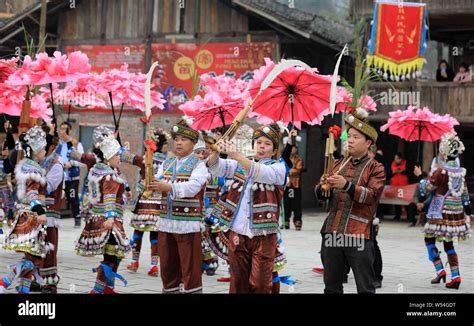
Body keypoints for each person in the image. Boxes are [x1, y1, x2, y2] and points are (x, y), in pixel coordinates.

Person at [206, 122, 287, 293]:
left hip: (263, 235)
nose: (262, 147)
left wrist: (235, 154)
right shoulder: (240, 164)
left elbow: (259, 172)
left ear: (274, 150)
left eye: (267, 144)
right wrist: (216, 151)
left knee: (260, 284)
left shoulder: (278, 169)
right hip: (237, 232)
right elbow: (216, 167)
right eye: (258, 143)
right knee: (238, 281)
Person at [314, 109, 385, 294]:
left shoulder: (376, 168)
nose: (350, 140)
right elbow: (323, 196)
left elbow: (371, 196)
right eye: (349, 136)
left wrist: (346, 185)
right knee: (331, 286)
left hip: (358, 233)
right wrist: (323, 188)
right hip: (332, 231)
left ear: (368, 143)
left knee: (365, 287)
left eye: (356, 137)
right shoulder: (337, 164)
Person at [148, 117, 208, 294]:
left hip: (187, 224)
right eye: (176, 139)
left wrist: (169, 187)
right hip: (166, 222)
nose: (179, 143)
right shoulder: (167, 163)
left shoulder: (199, 165)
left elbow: (193, 187)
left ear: (193, 143)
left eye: (184, 139)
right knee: (167, 266)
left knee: (189, 268)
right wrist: (149, 183)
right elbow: (157, 181)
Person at [75, 135, 131, 294]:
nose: (119, 158)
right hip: (108, 219)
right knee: (112, 255)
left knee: (115, 253)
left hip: (97, 217)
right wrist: (111, 217)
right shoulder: (109, 175)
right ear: (107, 157)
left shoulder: (97, 169)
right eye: (116, 155)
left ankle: (108, 287)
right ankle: (98, 290)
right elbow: (109, 197)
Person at [0, 126, 51, 294]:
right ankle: (4, 282)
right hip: (31, 217)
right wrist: (40, 211)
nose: (45, 151)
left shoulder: (27, 165)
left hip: (27, 215)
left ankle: (23, 291)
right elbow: (31, 193)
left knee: (31, 257)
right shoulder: (33, 169)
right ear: (36, 150)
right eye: (43, 148)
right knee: (33, 259)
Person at [422, 132, 471, 289]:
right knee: (449, 244)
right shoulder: (460, 172)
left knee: (429, 239)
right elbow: (464, 194)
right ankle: (455, 276)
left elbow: (426, 189)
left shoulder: (441, 171)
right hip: (455, 211)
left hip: (439, 211)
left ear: (445, 152)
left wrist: (420, 178)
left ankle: (440, 270)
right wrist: (467, 210)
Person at [121, 127, 168, 277]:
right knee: (155, 234)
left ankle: (135, 262)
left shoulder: (144, 159)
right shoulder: (167, 162)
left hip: (144, 200)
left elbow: (124, 156)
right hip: (158, 201)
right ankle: (154, 266)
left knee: (138, 231)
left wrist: (119, 144)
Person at [56, 121, 84, 228]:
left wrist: (71, 163)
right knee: (58, 197)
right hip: (60, 176)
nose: (63, 131)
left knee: (73, 197)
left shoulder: (77, 144)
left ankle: (77, 217)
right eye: (61, 128)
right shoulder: (58, 145)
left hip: (72, 177)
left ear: (70, 131)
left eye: (65, 129)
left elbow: (82, 161)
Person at [282, 129, 303, 230]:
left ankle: (297, 221)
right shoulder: (285, 158)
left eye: (294, 148)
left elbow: (298, 169)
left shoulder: (298, 159)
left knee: (296, 204)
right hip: (287, 184)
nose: (292, 149)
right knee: (286, 204)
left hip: (295, 184)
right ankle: (285, 221)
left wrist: (289, 171)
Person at [390, 152, 408, 220]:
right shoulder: (393, 163)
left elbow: (408, 172)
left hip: (403, 184)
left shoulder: (405, 163)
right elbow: (392, 172)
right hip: (395, 184)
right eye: (395, 158)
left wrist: (401, 171)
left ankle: (408, 214)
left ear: (400, 159)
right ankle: (397, 214)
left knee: (405, 200)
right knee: (396, 200)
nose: (395, 159)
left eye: (397, 158)